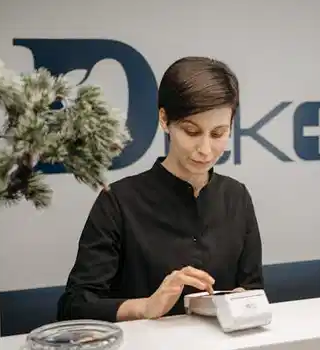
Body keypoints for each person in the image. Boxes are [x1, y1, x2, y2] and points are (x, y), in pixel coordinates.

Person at [57, 56, 264, 322]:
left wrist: (243, 300)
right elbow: (75, 306)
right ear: (164, 119)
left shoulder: (237, 197)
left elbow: (254, 289)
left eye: (218, 134)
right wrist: (145, 307)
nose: (205, 150)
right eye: (191, 131)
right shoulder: (118, 202)